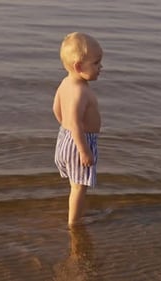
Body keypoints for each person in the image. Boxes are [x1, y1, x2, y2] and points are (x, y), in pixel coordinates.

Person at [53, 32, 103, 226]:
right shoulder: (81, 91)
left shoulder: (65, 83)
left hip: (65, 138)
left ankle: (77, 213)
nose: (101, 67)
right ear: (79, 66)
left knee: (75, 183)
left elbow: (56, 108)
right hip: (80, 142)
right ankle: (74, 222)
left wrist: (65, 129)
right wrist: (84, 149)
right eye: (96, 63)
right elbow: (75, 122)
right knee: (79, 187)